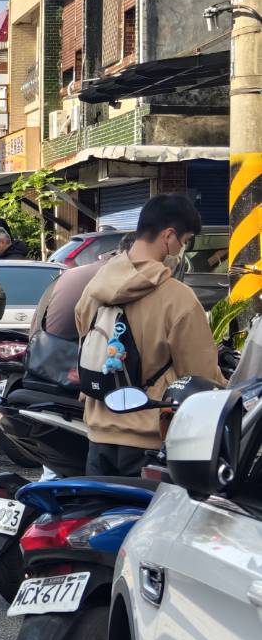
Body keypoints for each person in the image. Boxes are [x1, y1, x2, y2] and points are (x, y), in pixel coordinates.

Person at [75, 194, 223, 476]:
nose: (181, 249)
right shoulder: (178, 298)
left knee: (100, 518)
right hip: (148, 440)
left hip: (97, 435)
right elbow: (199, 375)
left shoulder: (94, 287)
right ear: (169, 236)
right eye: (185, 240)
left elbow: (85, 340)